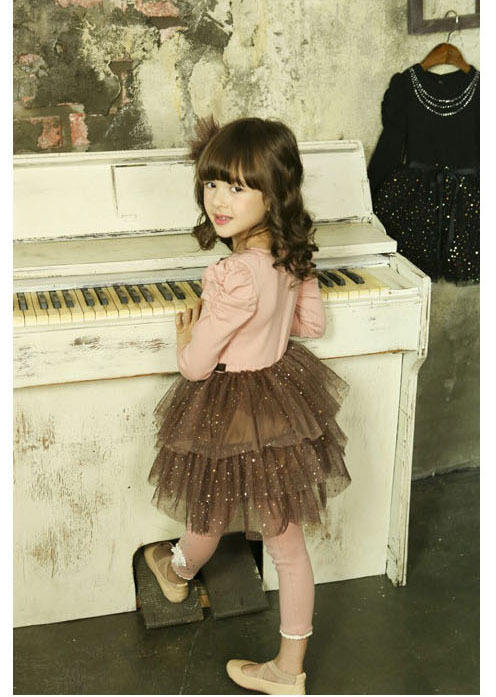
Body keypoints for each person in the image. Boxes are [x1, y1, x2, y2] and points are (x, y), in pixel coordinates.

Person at [145, 115, 351, 695]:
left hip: (230, 406)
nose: (218, 200)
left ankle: (177, 571)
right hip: (279, 405)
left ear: (272, 193)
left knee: (208, 513)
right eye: (212, 183)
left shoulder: (232, 273)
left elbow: (194, 367)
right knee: (287, 544)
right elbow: (310, 325)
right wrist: (267, 326)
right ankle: (288, 670)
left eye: (237, 187)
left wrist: (188, 337)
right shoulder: (291, 253)